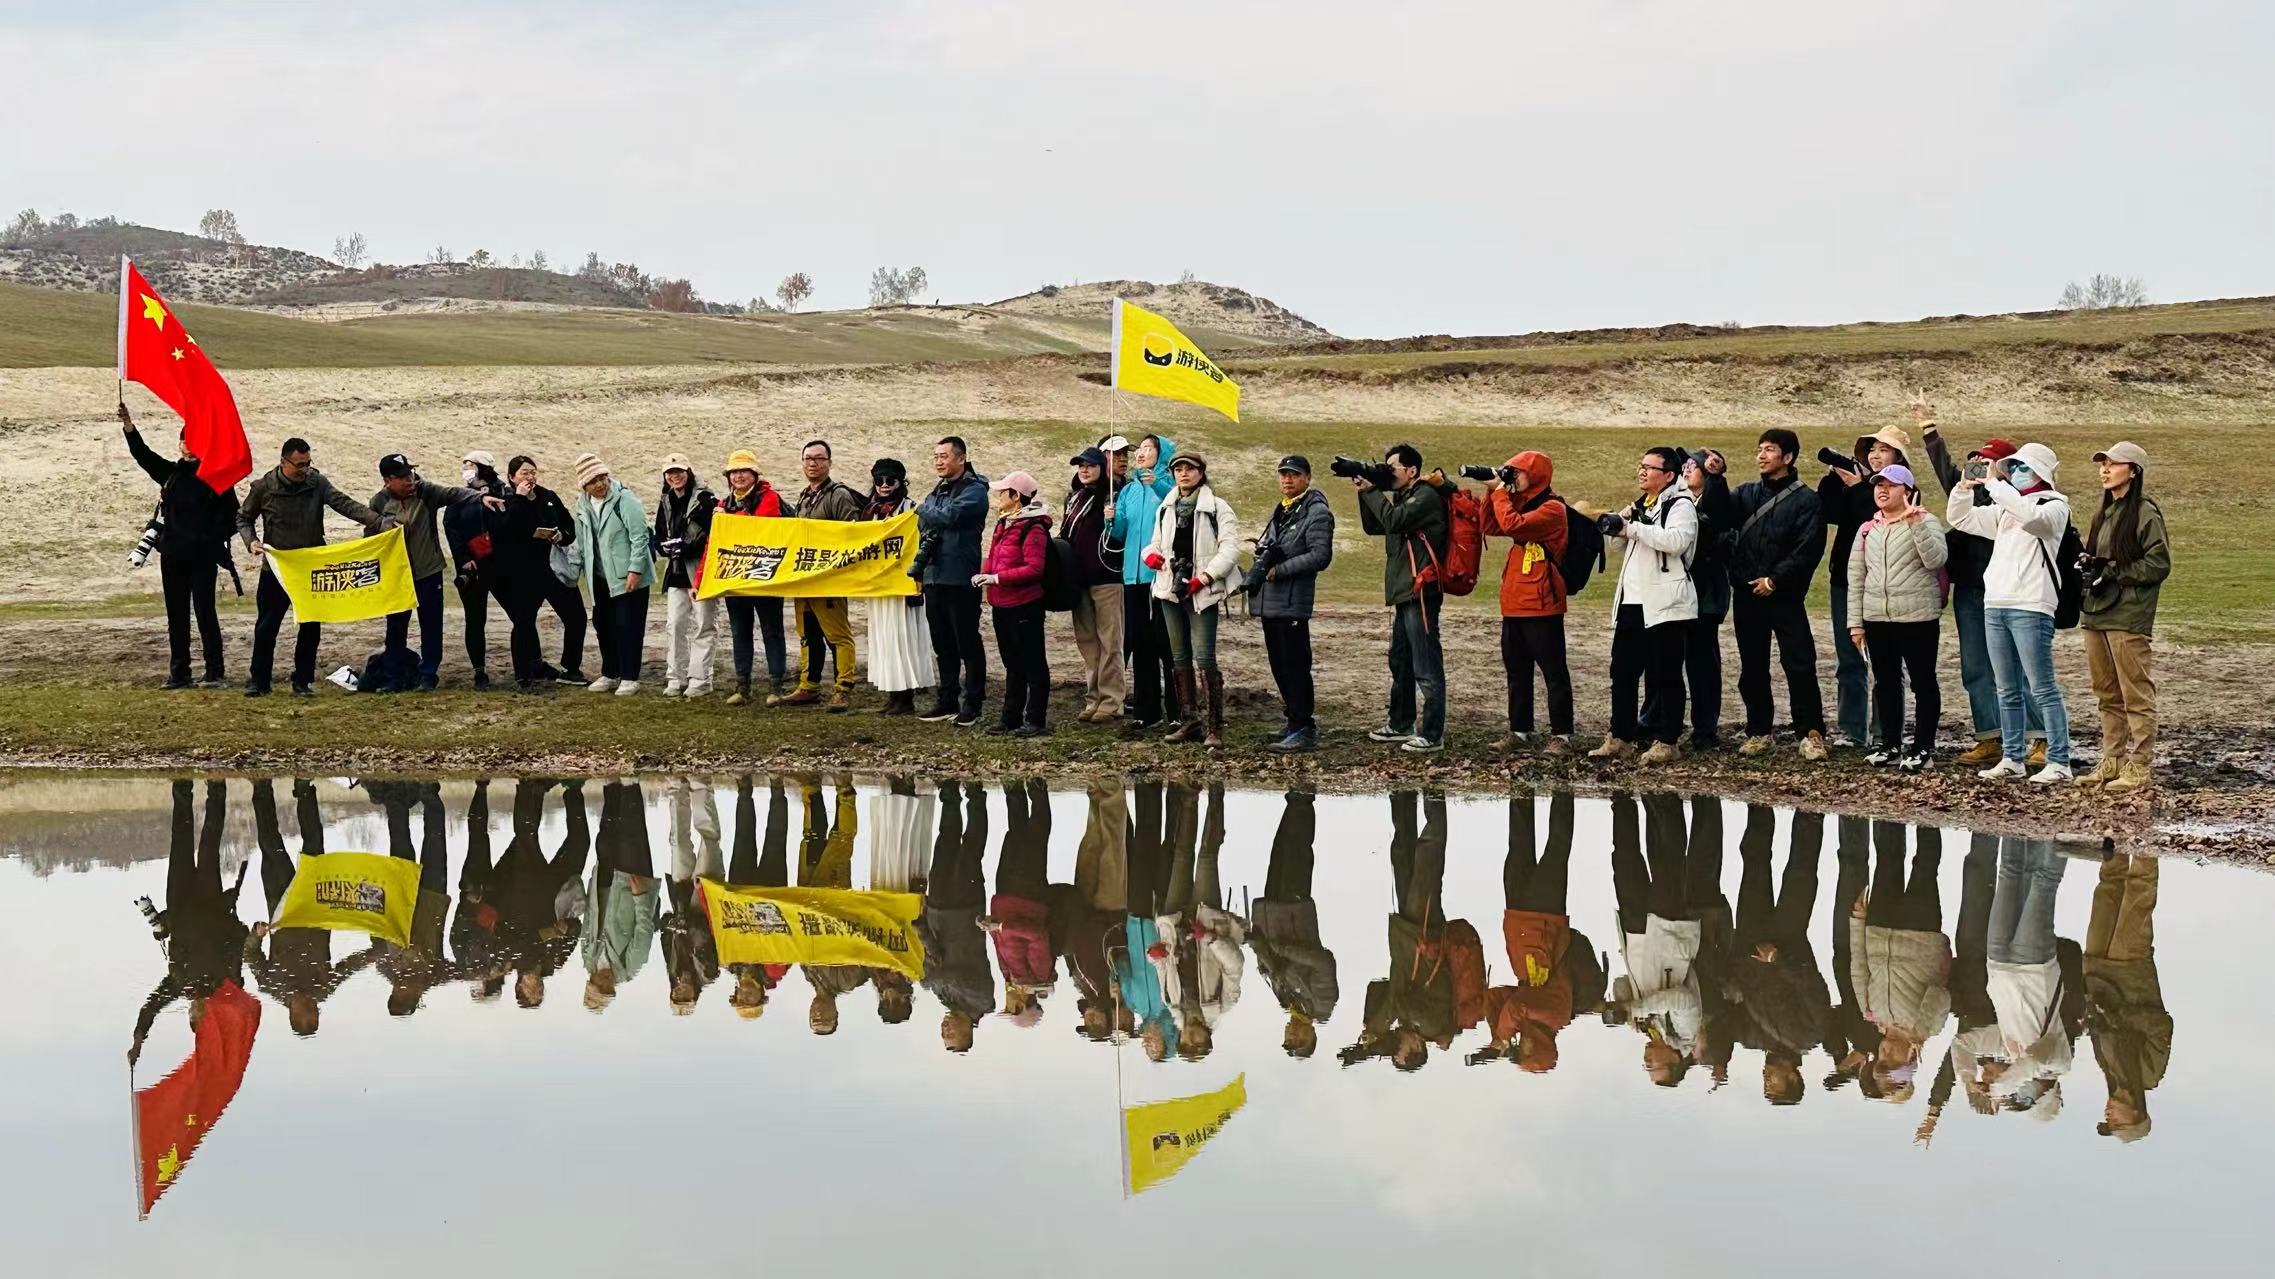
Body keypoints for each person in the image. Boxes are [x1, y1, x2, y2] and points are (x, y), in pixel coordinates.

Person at [1919, 406, 2044, 768]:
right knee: (1975, 666)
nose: (1979, 467)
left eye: (1988, 462)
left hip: (2009, 590)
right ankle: (1990, 738)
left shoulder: (2021, 498)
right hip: (1971, 591)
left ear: (2007, 466)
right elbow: (1946, 472)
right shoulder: (1970, 493)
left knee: (2019, 668)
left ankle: (2041, 737)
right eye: (1976, 461)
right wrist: (1929, 430)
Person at [1947, 442, 2073, 782]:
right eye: (2012, 467)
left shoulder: (2055, 506)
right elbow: (1960, 518)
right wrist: (1963, 488)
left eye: (2022, 467)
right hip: (1996, 604)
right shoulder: (2005, 508)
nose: (2015, 472)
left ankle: (2059, 761)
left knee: (2042, 687)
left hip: (2031, 605)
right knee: (2007, 688)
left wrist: (1994, 484)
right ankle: (2012, 757)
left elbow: (2033, 519)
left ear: (2041, 471)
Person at [1710, 428, 1829, 759]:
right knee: (1752, 666)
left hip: (1785, 596)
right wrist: (1717, 478)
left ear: (1787, 457)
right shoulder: (1746, 494)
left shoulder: (1807, 500)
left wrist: (1775, 581)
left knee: (1799, 663)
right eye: (1760, 449)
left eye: (1770, 450)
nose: (1762, 455)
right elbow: (1720, 516)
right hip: (1747, 593)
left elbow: (1808, 549)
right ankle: (1759, 731)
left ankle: (1811, 733)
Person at [238, 436, 385, 696]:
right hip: (277, 569)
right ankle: (259, 681)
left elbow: (345, 504)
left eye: (308, 463)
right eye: (299, 465)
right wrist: (251, 542)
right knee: (266, 627)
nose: (305, 469)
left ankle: (302, 681)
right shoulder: (263, 487)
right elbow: (243, 518)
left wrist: (378, 522)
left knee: (310, 627)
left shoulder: (317, 482)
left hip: (311, 569)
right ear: (283, 462)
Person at [1609, 792, 1728, 1087]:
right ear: (1675, 1061)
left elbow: (1621, 983)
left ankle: (1621, 800)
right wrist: (1638, 1009)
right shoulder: (1685, 1034)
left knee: (1625, 862)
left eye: (1646, 1067)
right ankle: (1666, 802)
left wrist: (1624, 1008)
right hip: (1669, 936)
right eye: (1655, 1066)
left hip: (1637, 937)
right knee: (1668, 863)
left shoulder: (1646, 1028)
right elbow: (1682, 999)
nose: (1647, 1061)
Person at [1479, 791, 1601, 1073]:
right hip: (1546, 923)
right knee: (1555, 850)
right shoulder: (1555, 1017)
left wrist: (1496, 1034)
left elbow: (1495, 998)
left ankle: (1520, 786)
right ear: (1540, 1047)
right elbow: (1518, 1006)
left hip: (1520, 923)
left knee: (1519, 847)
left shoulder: (1525, 1020)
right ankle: (1563, 789)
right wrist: (1503, 1037)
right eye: (1524, 1051)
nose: (1520, 1046)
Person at [119, 403, 239, 689]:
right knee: (176, 616)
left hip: (203, 557)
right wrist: (128, 426)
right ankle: (179, 674)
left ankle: (214, 673)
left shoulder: (217, 478)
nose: (189, 447)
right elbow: (143, 455)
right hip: (172, 556)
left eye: (195, 442)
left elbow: (234, 519)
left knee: (205, 613)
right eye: (185, 441)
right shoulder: (171, 474)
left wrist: (208, 538)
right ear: (180, 444)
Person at [129, 780, 246, 1064]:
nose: (198, 1011)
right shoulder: (226, 981)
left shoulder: (179, 983)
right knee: (209, 843)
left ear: (189, 1014)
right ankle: (217, 786)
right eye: (204, 1016)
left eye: (194, 1016)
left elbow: (151, 1007)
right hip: (208, 898)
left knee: (180, 841)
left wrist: (138, 1039)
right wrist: (227, 910)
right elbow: (239, 938)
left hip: (179, 900)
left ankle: (182, 785)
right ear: (212, 1014)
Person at [2075, 442, 2169, 793]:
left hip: (2128, 614)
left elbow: (2159, 564)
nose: (2105, 470)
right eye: (2103, 464)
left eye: (2113, 464)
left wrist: (2116, 571)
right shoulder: (2103, 513)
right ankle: (2112, 759)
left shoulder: (2145, 513)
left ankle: (2140, 764)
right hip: (2098, 612)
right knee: (2106, 691)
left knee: (2135, 693)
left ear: (2133, 471)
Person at [1594, 447, 1698, 763]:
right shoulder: (1642, 504)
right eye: (1641, 466)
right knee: (1622, 671)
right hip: (1632, 600)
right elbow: (1616, 545)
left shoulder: (1681, 505)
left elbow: (1677, 541)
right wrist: (1621, 523)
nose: (1642, 471)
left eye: (1650, 467)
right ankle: (1620, 736)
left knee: (1666, 673)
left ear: (1669, 475)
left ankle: (1667, 740)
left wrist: (1633, 528)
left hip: (1665, 602)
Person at [368, 452, 502, 692]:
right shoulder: (378, 502)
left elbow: (454, 493)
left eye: (410, 473)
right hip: (397, 574)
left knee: (431, 625)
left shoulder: (425, 491)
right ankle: (393, 678)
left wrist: (480, 497)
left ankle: (428, 675)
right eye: (402, 476)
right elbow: (370, 539)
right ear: (388, 480)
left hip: (428, 569)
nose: (410, 479)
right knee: (395, 626)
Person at [1723, 806, 1830, 1105]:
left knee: (1754, 865)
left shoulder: (1749, 1037)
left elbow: (1723, 1007)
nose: (1766, 1076)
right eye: (1774, 1083)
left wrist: (1716, 1062)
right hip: (1789, 942)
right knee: (1800, 872)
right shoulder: (1811, 1035)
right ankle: (1810, 811)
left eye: (1765, 1083)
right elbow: (1812, 986)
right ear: (1794, 1077)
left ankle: (1759, 806)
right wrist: (1778, 961)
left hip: (1749, 944)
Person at [1344, 791, 1456, 1072]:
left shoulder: (1408, 1024)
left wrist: (1369, 1041)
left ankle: (1402, 796)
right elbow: (1399, 1002)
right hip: (1423, 931)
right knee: (1427, 858)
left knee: (1402, 856)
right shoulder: (1432, 1025)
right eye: (1400, 1049)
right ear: (1417, 1047)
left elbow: (1377, 989)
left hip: (1408, 933)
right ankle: (1434, 794)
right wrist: (1377, 1033)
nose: (1397, 1044)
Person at [1846, 464, 1948, 769]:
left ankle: (1923, 748)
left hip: (1918, 617)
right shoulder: (1868, 529)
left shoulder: (1927, 521)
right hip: (1878, 617)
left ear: (1908, 491)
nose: (1883, 490)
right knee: (1886, 683)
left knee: (1923, 683)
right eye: (1879, 485)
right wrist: (1856, 623)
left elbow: (1936, 560)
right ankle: (1890, 744)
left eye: (1891, 485)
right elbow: (1857, 577)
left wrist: (1916, 524)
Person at [1355, 443, 1451, 754]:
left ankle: (1432, 734)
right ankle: (1400, 723)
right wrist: (1364, 491)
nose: (1388, 472)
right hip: (1404, 589)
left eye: (1392, 467)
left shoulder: (1425, 496)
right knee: (1401, 660)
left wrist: (1372, 490)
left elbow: (1394, 521)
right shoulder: (1403, 496)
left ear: (1412, 471)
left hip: (1421, 591)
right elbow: (1376, 525)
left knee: (1426, 663)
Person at [1848, 820, 1951, 1100]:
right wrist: (1919, 1031)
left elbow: (1858, 967)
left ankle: (1888, 808)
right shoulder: (1931, 1027)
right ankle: (1930, 808)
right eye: (1893, 1061)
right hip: (1921, 935)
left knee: (1887, 861)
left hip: (1879, 931)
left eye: (1881, 1061)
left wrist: (1857, 922)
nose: (1885, 1053)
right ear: (1910, 1058)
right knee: (1924, 867)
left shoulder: (1871, 1015)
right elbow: (1940, 995)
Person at [1822, 425, 1912, 746]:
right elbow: (1829, 512)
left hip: (1884, 585)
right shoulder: (1859, 483)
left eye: (1883, 449)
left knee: (1886, 662)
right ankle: (1851, 730)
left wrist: (1859, 488)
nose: (1875, 455)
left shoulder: (1903, 488)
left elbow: (1878, 515)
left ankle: (1885, 731)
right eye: (1872, 449)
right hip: (1845, 580)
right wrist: (1834, 480)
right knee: (1849, 658)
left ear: (1898, 456)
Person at [1144, 453, 1240, 748]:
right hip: (1170, 587)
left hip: (1202, 591)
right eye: (1178, 469)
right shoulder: (1166, 507)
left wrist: (1206, 577)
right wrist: (1149, 555)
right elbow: (1156, 542)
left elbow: (1230, 549)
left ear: (1201, 472)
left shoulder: (1217, 508)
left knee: (1205, 656)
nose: (1183, 474)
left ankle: (1214, 726)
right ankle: (1190, 721)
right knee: (1179, 656)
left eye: (1190, 469)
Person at [1479, 450, 1572, 754]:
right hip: (1515, 600)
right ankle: (1520, 730)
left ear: (1536, 475)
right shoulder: (1517, 501)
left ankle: (1562, 735)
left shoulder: (1553, 508)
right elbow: (1490, 525)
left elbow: (1513, 526)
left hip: (1542, 601)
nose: (1513, 477)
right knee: (1517, 671)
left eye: (1517, 472)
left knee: (1553, 672)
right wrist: (1491, 492)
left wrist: (1499, 492)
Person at [1251, 455, 1336, 752]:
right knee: (1279, 664)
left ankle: (1303, 727)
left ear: (1308, 478)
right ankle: (1293, 721)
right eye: (1283, 474)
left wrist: (1280, 569)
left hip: (1292, 600)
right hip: (1272, 601)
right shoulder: (1284, 509)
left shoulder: (1317, 512)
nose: (1287, 479)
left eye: (1294, 474)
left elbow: (1320, 556)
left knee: (1295, 665)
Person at [2084, 853, 2169, 1143]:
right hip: (2131, 971)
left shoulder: (2108, 1072)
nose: (2108, 1116)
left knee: (2107, 890)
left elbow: (2099, 1025)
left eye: (2109, 1122)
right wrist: (2121, 1016)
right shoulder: (2149, 1075)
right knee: (2138, 896)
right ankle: (2145, 843)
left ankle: (2113, 837)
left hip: (2097, 972)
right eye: (2117, 1122)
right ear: (2136, 1113)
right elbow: (2161, 1026)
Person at [1249, 788, 1338, 1057]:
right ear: (1312, 1036)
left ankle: (1293, 800)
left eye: (1289, 1039)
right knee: (1297, 852)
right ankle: (1304, 798)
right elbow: (1324, 962)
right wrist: (1283, 951)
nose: (1292, 1034)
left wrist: (1260, 951)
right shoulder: (1322, 1005)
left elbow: (1270, 965)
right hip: (1295, 915)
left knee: (1279, 852)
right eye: (1299, 1040)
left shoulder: (1285, 1001)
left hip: (1270, 915)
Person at [780, 439, 865, 712]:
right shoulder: (805, 495)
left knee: (837, 635)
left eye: (818, 458)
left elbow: (852, 534)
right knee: (808, 633)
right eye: (808, 458)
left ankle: (843, 688)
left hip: (829, 578)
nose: (813, 463)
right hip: (805, 578)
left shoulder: (838, 495)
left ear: (829, 462)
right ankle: (809, 685)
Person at [913, 435, 990, 727]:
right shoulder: (937, 491)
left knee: (967, 641)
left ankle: (973, 703)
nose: (938, 462)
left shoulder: (975, 490)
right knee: (942, 643)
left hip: (960, 577)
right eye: (935, 457)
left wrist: (923, 509)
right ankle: (947, 700)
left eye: (943, 456)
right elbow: (926, 524)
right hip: (935, 575)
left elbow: (949, 516)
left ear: (961, 458)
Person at [1107, 433, 1179, 729]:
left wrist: (1157, 484)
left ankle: (1178, 711)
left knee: (1167, 644)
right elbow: (1120, 533)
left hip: (1159, 575)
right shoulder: (1128, 490)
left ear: (1162, 454)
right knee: (1140, 642)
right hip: (1132, 575)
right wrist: (1111, 519)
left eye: (1150, 448)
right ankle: (1146, 711)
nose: (1141, 453)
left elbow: (1176, 507)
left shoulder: (1170, 484)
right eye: (1141, 448)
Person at [976, 470, 1053, 736]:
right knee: (1012, 662)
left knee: (1033, 662)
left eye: (1003, 492)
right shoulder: (1004, 523)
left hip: (1025, 604)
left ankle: (1035, 719)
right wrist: (985, 574)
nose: (999, 496)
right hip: (1002, 604)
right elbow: (994, 557)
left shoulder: (1034, 527)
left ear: (1016, 496)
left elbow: (1034, 569)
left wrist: (996, 578)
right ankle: (1011, 717)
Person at [918, 779, 993, 1052]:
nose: (945, 1029)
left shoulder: (944, 998)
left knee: (945, 845)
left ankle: (949, 795)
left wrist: (922, 927)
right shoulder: (981, 1001)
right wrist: (929, 979)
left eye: (943, 1033)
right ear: (968, 1032)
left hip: (938, 909)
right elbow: (951, 975)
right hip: (965, 910)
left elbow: (929, 962)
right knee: (969, 851)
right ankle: (975, 796)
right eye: (951, 1034)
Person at [503, 455, 588, 687]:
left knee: (576, 617)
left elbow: (569, 526)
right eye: (524, 473)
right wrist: (520, 498)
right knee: (524, 621)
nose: (530, 477)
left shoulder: (548, 496)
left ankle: (571, 668)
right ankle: (523, 674)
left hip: (555, 567)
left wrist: (561, 536)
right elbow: (508, 529)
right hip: (525, 572)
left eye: (533, 472)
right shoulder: (508, 500)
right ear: (512, 477)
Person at [571, 452, 651, 696]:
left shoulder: (625, 499)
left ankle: (630, 676)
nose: (599, 484)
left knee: (628, 625)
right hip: (598, 575)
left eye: (602, 477)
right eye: (593, 481)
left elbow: (640, 536)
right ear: (584, 485)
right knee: (603, 623)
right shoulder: (582, 504)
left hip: (627, 575)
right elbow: (582, 540)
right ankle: (610, 672)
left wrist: (635, 569)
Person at [979, 779, 1057, 1027]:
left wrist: (990, 928)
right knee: (1034, 840)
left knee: (1014, 838)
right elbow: (1037, 935)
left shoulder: (1008, 975)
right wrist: (1002, 927)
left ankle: (1013, 790)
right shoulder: (1040, 975)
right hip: (1028, 898)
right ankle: (1038, 789)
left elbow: (1001, 941)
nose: (1007, 1002)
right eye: (1011, 1008)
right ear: (1023, 1004)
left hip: (1004, 899)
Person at [860, 457, 934, 715]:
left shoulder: (911, 510)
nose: (884, 485)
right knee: (884, 639)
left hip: (903, 585)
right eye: (878, 480)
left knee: (904, 639)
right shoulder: (869, 512)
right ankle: (892, 694)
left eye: (889, 480)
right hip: (878, 584)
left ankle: (906, 696)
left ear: (900, 482)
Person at [715, 450, 789, 705]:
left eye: (743, 471)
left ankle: (776, 687)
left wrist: (727, 521)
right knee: (740, 632)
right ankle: (742, 687)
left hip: (766, 576)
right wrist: (701, 579)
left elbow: (760, 529)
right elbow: (714, 544)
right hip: (736, 577)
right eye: (733, 472)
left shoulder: (769, 498)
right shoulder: (725, 504)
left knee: (772, 631)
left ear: (754, 475)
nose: (738, 476)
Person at [582, 781, 660, 1014]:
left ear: (591, 981)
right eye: (608, 989)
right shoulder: (630, 967)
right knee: (631, 834)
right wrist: (640, 897)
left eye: (601, 986)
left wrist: (592, 887)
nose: (607, 984)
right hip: (631, 889)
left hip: (604, 886)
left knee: (606, 838)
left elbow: (588, 922)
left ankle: (612, 785)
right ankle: (630, 784)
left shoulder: (587, 959)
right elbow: (644, 929)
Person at [1062, 446, 1126, 723]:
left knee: (1110, 641)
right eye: (1080, 466)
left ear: (1102, 468)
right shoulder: (1074, 498)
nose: (1084, 470)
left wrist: (1113, 516)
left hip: (1107, 577)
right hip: (1079, 580)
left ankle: (1112, 701)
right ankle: (1094, 697)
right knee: (1088, 642)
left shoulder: (1113, 495)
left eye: (1089, 465)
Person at [649, 455, 718, 698]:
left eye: (678, 471)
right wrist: (662, 547)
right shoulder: (666, 499)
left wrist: (687, 548)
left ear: (688, 471)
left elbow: (713, 534)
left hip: (700, 569)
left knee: (704, 624)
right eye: (670, 472)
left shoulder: (705, 499)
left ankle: (700, 679)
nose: (674, 476)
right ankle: (675, 677)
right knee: (675, 624)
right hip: (676, 571)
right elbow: (659, 530)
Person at [443, 451, 511, 690]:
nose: (466, 470)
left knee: (519, 614)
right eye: (464, 466)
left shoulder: (503, 491)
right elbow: (451, 527)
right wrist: (463, 558)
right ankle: (479, 671)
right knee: (475, 618)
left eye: (470, 465)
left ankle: (531, 663)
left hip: (500, 563)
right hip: (472, 565)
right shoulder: (459, 496)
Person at [1679, 450, 1730, 751]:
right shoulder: (1680, 502)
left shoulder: (1716, 501)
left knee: (1702, 665)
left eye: (1693, 466)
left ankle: (1705, 729)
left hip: (1706, 597)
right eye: (1684, 466)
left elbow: (1719, 508)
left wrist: (1717, 475)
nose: (1686, 470)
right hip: (1681, 594)